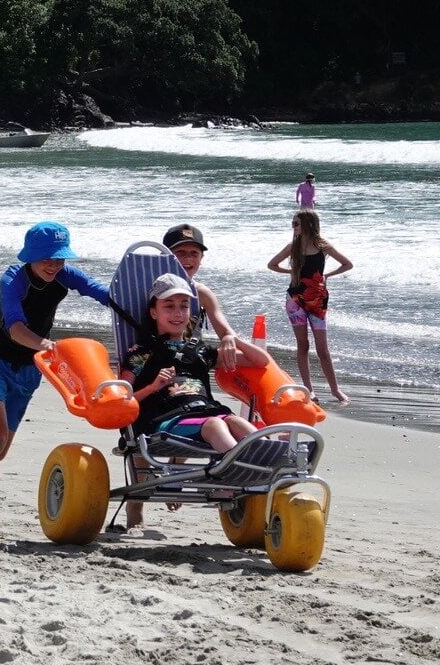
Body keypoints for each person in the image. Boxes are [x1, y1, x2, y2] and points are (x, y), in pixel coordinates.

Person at [0, 222, 112, 529]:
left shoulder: (64, 276)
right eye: (47, 258)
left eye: (60, 258)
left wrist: (143, 302)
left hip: (30, 368)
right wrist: (47, 345)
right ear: (30, 257)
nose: (54, 265)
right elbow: (14, 327)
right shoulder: (13, 280)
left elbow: (102, 293)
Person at [118, 273, 271, 529]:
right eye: (169, 306)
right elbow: (124, 399)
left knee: (235, 421)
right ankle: (231, 475)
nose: (178, 313)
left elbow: (262, 361)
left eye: (184, 306)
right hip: (164, 421)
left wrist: (230, 338)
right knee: (215, 425)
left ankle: (269, 461)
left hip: (205, 412)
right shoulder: (141, 353)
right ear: (154, 313)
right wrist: (154, 386)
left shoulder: (200, 351)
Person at [267, 210, 353, 403]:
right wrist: (291, 271)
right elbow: (271, 264)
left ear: (307, 224)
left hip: (318, 300)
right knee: (303, 345)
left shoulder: (322, 246)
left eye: (296, 223)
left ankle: (335, 390)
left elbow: (347, 264)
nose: (293, 227)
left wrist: (327, 276)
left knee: (322, 348)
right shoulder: (293, 247)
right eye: (292, 224)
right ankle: (309, 389)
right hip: (295, 299)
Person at [160, 224, 242, 370]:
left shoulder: (202, 293)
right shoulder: (152, 289)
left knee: (252, 357)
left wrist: (228, 337)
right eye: (180, 252)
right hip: (154, 359)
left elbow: (225, 331)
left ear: (201, 258)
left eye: (194, 253)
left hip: (190, 359)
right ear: (165, 256)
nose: (188, 258)